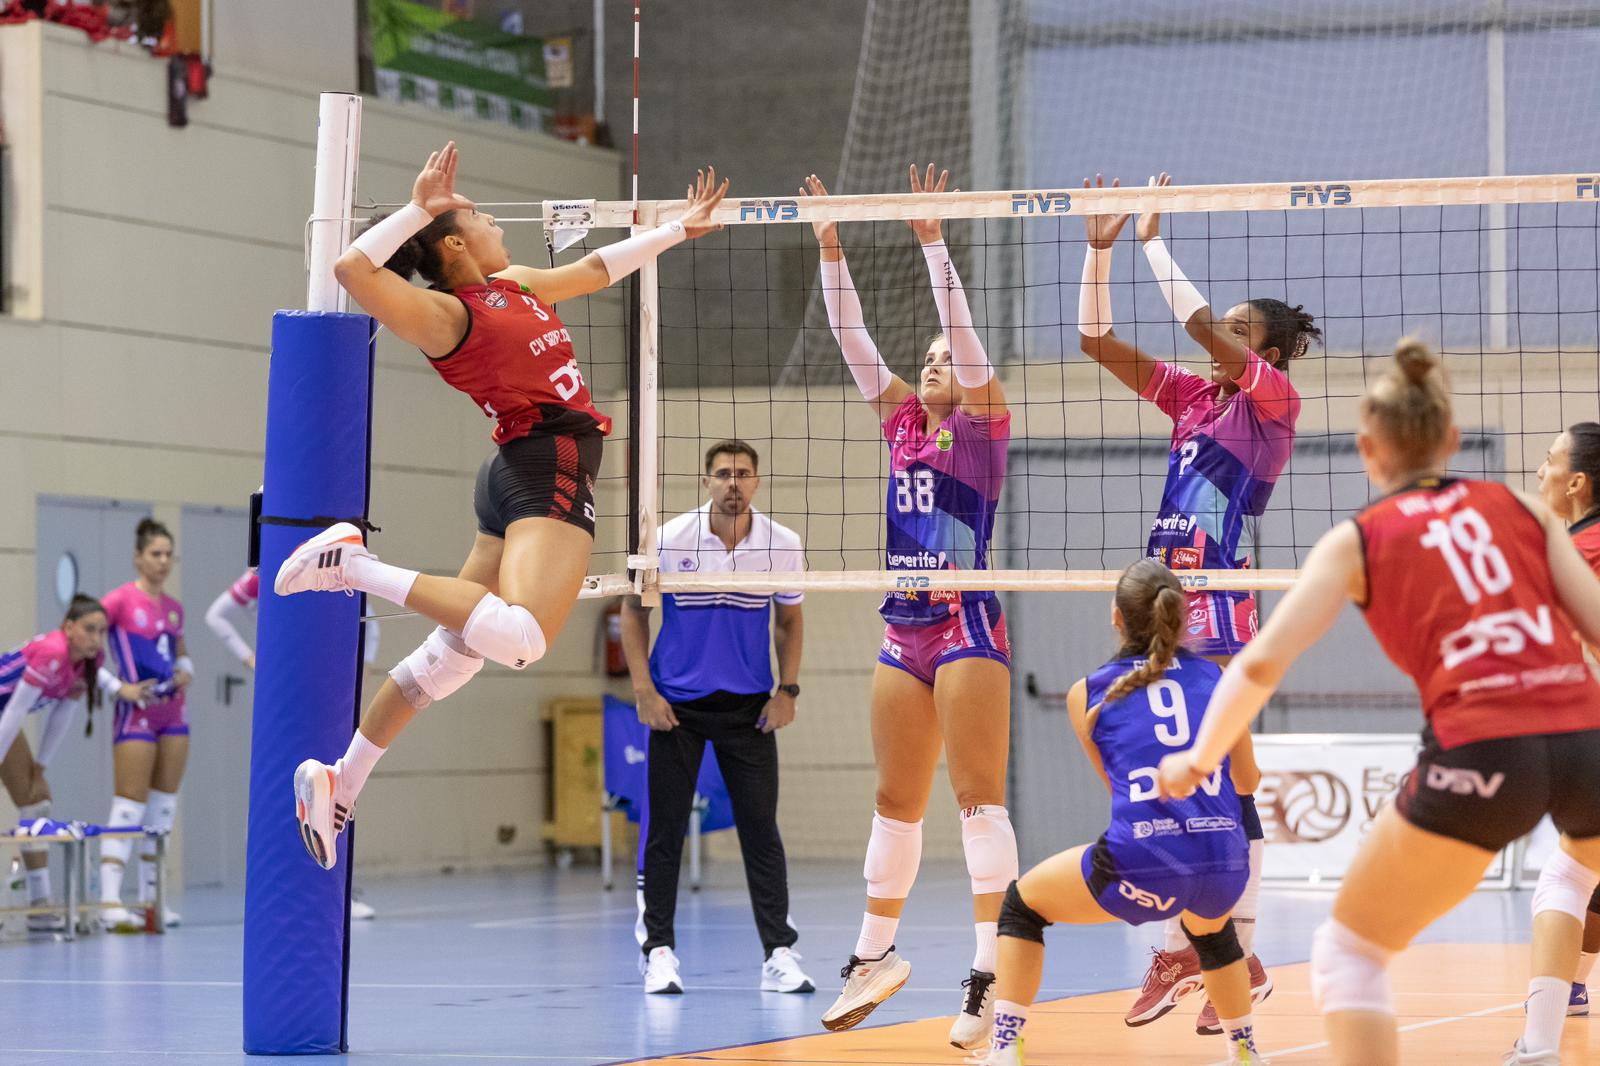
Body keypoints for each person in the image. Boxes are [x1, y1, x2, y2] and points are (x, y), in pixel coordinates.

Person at [275, 142, 729, 870]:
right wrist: (416, 208)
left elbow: (594, 269)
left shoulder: (514, 284)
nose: (498, 225)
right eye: (482, 217)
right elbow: (352, 270)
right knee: (519, 639)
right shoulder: (446, 315)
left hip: (516, 471)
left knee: (453, 659)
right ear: (454, 240)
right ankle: (352, 565)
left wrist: (679, 228)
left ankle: (341, 778)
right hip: (548, 462)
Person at [1157, 339, 1600, 1066]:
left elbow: (1261, 662)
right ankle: (1538, 1048)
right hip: (1588, 737)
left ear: (1367, 448)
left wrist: (1198, 757)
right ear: (1452, 441)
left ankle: (1541, 1047)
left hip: (1485, 749)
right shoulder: (1520, 508)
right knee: (1572, 876)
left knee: (1349, 953)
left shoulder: (1356, 539)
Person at [1079, 173, 1322, 1032]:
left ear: (1270, 352)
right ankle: (1222, 950)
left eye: (1242, 334)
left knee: (1227, 773)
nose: (1225, 339)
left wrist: (1152, 240)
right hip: (1171, 603)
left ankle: (1228, 948)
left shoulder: (1274, 405)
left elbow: (1195, 324)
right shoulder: (1191, 397)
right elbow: (1094, 340)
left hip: (1222, 604)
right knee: (1197, 769)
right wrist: (1101, 249)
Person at [800, 167, 1015, 1050]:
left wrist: (934, 244)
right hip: (903, 623)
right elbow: (852, 338)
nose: (931, 368)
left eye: (943, 363)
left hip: (967, 621)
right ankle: (872, 956)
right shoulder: (896, 424)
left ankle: (986, 973)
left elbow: (964, 343)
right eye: (922, 361)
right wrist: (830, 246)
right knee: (894, 800)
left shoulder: (986, 425)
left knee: (975, 801)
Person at [978, 558, 1265, 1066]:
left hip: (1144, 859)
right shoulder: (1222, 681)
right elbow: (1248, 781)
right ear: (1182, 615)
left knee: (1022, 906)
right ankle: (1244, 1052)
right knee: (1212, 930)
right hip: (1225, 860)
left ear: (1117, 617)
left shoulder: (1087, 694)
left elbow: (1117, 787)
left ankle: (1004, 1048)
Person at [620, 438, 811, 996]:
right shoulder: (669, 538)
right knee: (665, 833)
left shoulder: (783, 543)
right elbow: (633, 617)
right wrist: (644, 691)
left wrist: (788, 691)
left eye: (744, 474)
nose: (734, 483)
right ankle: (658, 952)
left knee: (761, 833)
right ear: (707, 481)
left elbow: (790, 622)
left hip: (750, 710)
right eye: (724, 473)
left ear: (757, 481)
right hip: (676, 708)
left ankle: (779, 953)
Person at [204, 568, 378, 920]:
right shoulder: (264, 572)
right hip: (286, 691)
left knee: (339, 779)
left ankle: (339, 887)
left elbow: (370, 621)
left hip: (330, 684)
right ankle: (288, 886)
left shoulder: (333, 564)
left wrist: (366, 667)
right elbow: (216, 616)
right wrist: (250, 658)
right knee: (287, 784)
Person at [0, 595, 149, 932]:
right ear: (69, 628)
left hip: (4, 720)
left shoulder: (85, 666)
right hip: (4, 718)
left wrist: (40, 766)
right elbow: (15, 711)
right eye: (89, 630)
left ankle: (39, 906)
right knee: (32, 797)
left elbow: (60, 717)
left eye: (102, 631)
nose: (97, 638)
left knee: (36, 800)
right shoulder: (52, 652)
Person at [1530, 422, 1600, 1020]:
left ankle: (1540, 1040)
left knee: (1569, 874)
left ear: (1576, 481)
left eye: (1549, 460)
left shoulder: (1572, 556)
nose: (1539, 471)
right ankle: (1567, 996)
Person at [98, 517, 192, 931]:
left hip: (173, 712)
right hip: (135, 713)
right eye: (156, 554)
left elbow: (180, 648)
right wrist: (118, 687)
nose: (163, 561)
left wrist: (187, 667)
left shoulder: (174, 608)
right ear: (138, 558)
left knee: (163, 808)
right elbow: (83, 641)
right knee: (130, 804)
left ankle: (152, 901)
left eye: (169, 554)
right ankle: (108, 899)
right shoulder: (119, 601)